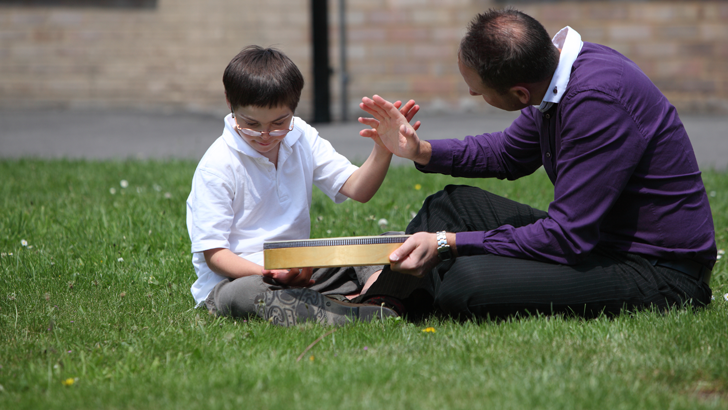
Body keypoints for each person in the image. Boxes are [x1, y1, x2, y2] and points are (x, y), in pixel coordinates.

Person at [355, 9, 715, 320]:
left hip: (658, 271)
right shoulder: (561, 74)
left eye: (478, 91)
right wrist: (422, 151)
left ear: (520, 94)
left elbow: (566, 238)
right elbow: (507, 153)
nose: (471, 95)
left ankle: (401, 298)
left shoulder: (596, 103)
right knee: (449, 205)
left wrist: (449, 243)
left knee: (468, 282)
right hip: (598, 245)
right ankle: (384, 302)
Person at [186, 45, 419, 326]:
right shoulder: (217, 166)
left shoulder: (302, 136)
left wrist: (383, 149)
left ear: (294, 108)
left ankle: (372, 295)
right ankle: (353, 311)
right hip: (240, 279)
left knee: (390, 244)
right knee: (248, 294)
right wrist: (268, 272)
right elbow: (215, 255)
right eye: (251, 124)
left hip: (300, 268)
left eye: (279, 122)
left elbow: (358, 189)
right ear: (229, 102)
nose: (265, 135)